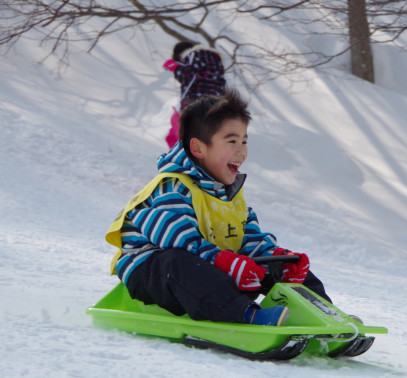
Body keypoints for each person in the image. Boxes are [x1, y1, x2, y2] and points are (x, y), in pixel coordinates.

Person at [105, 90, 331, 326]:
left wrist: (276, 258)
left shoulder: (229, 193)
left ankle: (324, 317)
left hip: (210, 268)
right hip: (154, 274)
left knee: (280, 265)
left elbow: (248, 238)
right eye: (231, 141)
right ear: (199, 149)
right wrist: (221, 260)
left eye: (244, 141)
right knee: (179, 261)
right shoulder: (173, 187)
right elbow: (179, 241)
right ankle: (245, 315)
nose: (241, 151)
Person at [163, 41, 226, 148]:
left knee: (181, 132)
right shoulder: (215, 59)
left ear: (180, 55)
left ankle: (182, 158)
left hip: (194, 103)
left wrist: (176, 68)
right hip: (216, 105)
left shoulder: (193, 55)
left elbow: (188, 77)